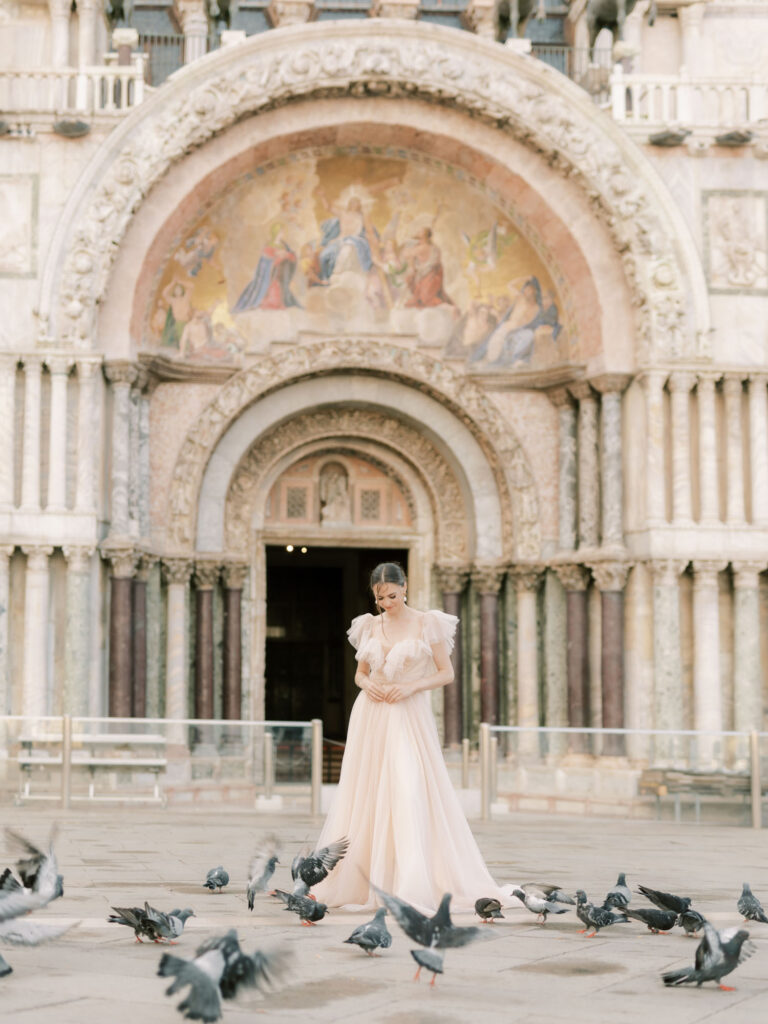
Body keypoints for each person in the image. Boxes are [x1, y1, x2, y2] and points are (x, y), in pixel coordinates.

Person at [311, 562, 512, 915]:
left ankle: (411, 881)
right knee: (367, 793)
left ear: (405, 588)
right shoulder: (369, 625)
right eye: (379, 598)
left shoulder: (427, 622)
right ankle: (361, 879)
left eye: (391, 595)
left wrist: (410, 687)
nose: (386, 603)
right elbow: (359, 673)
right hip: (371, 714)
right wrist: (367, 683)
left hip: (407, 714)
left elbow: (446, 672)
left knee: (407, 787)